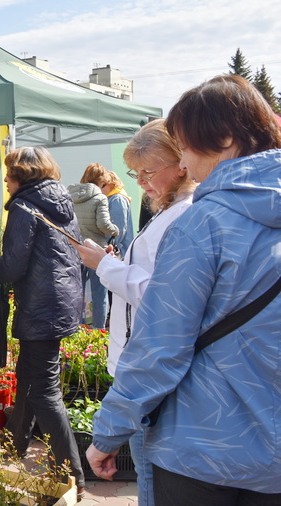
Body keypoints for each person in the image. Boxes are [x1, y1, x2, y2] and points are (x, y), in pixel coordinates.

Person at [87, 75, 281, 504]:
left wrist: (109, 432)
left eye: (188, 148)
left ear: (226, 137)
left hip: (204, 447)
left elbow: (162, 344)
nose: (187, 164)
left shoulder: (203, 224)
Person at [73, 119, 196, 506]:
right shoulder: (170, 209)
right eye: (135, 172)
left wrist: (104, 266)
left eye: (148, 171)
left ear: (181, 164)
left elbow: (162, 297)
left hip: (150, 362)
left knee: (150, 474)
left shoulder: (184, 215)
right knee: (148, 471)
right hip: (142, 358)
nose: (141, 181)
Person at [0, 146, 86, 493]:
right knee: (28, 376)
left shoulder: (24, 207)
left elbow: (13, 264)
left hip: (42, 305)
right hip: (59, 301)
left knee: (44, 389)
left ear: (17, 176)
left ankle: (72, 473)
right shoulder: (59, 200)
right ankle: (16, 443)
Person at [68, 164, 118, 329]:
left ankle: (76, 329)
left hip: (75, 250)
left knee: (77, 292)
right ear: (101, 180)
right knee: (99, 293)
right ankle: (98, 330)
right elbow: (103, 225)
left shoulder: (70, 195)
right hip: (97, 250)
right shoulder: (100, 198)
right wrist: (115, 230)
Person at [98, 170, 134, 259]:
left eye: (103, 186)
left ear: (111, 184)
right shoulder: (112, 198)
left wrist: (107, 249)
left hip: (117, 254)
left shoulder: (117, 199)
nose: (100, 190)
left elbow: (117, 231)